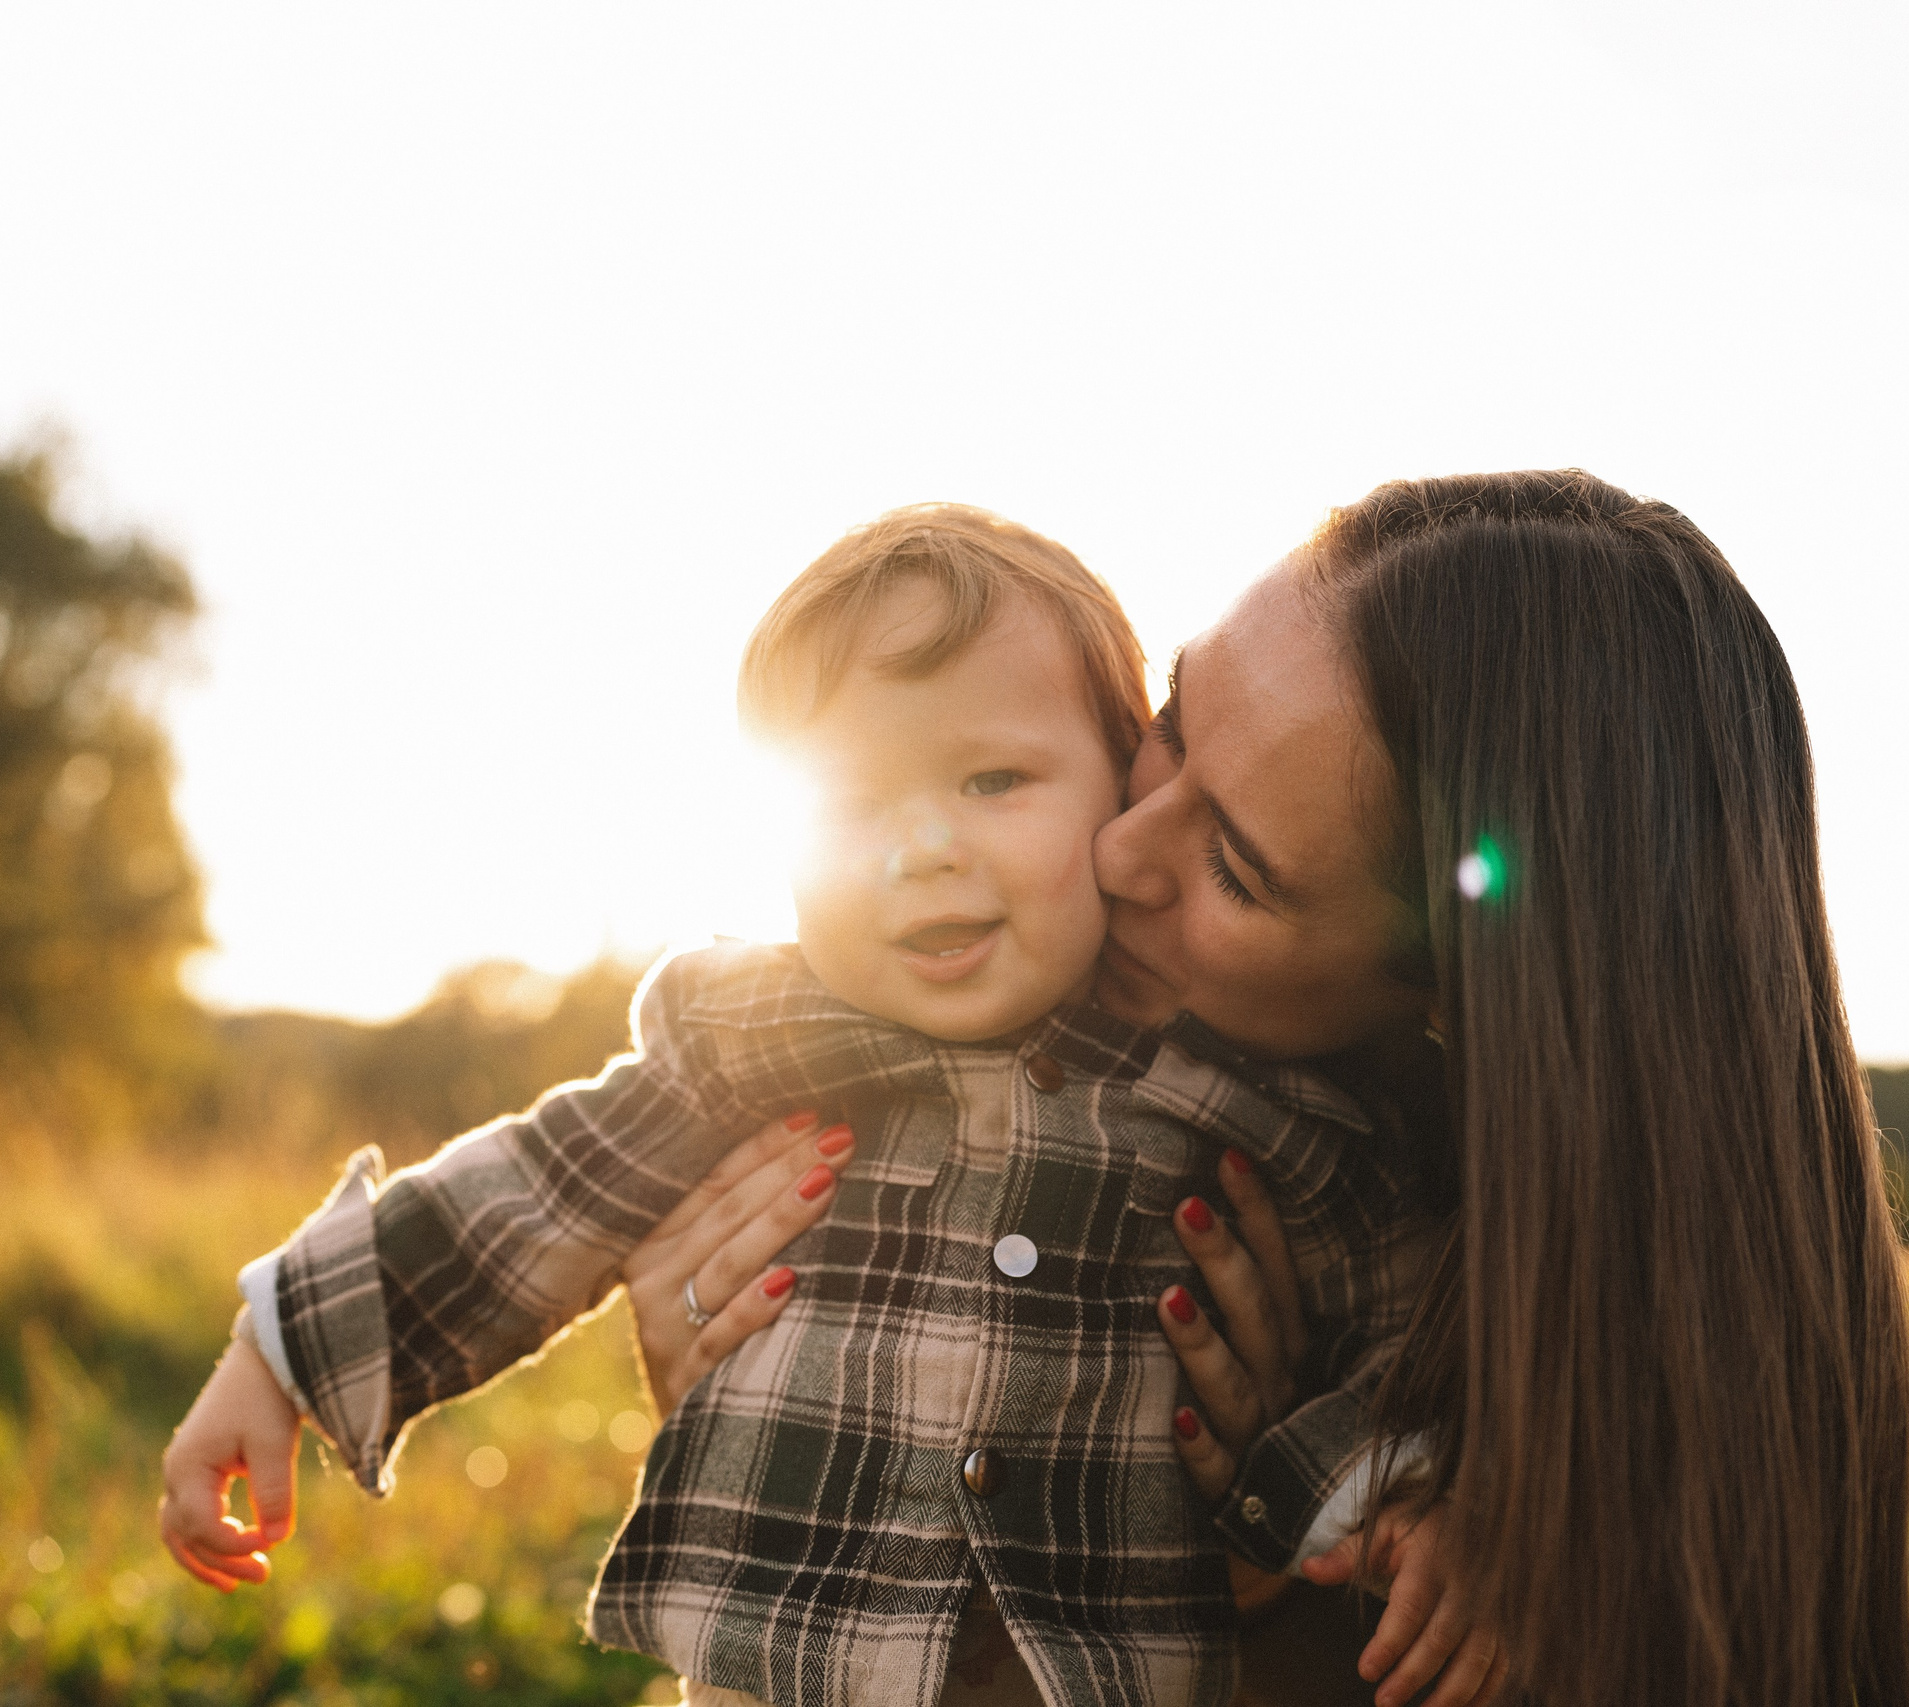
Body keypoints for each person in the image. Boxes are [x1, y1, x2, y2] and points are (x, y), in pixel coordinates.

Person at [641, 471, 1909, 1707]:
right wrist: (754, 1393)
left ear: (1449, 1005)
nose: (1115, 849)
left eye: (1239, 873)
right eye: (1172, 726)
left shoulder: (1552, 1491)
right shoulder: (947, 1045)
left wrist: (1283, 1570)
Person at [157, 504, 1455, 1707]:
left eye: (993, 780)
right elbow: (529, 1191)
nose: (920, 846)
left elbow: (1406, 1324)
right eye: (849, 802)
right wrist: (274, 1355)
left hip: (1093, 1666)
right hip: (793, 1665)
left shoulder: (1241, 1093)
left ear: (1118, 779)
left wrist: (1401, 1493)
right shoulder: (752, 1038)